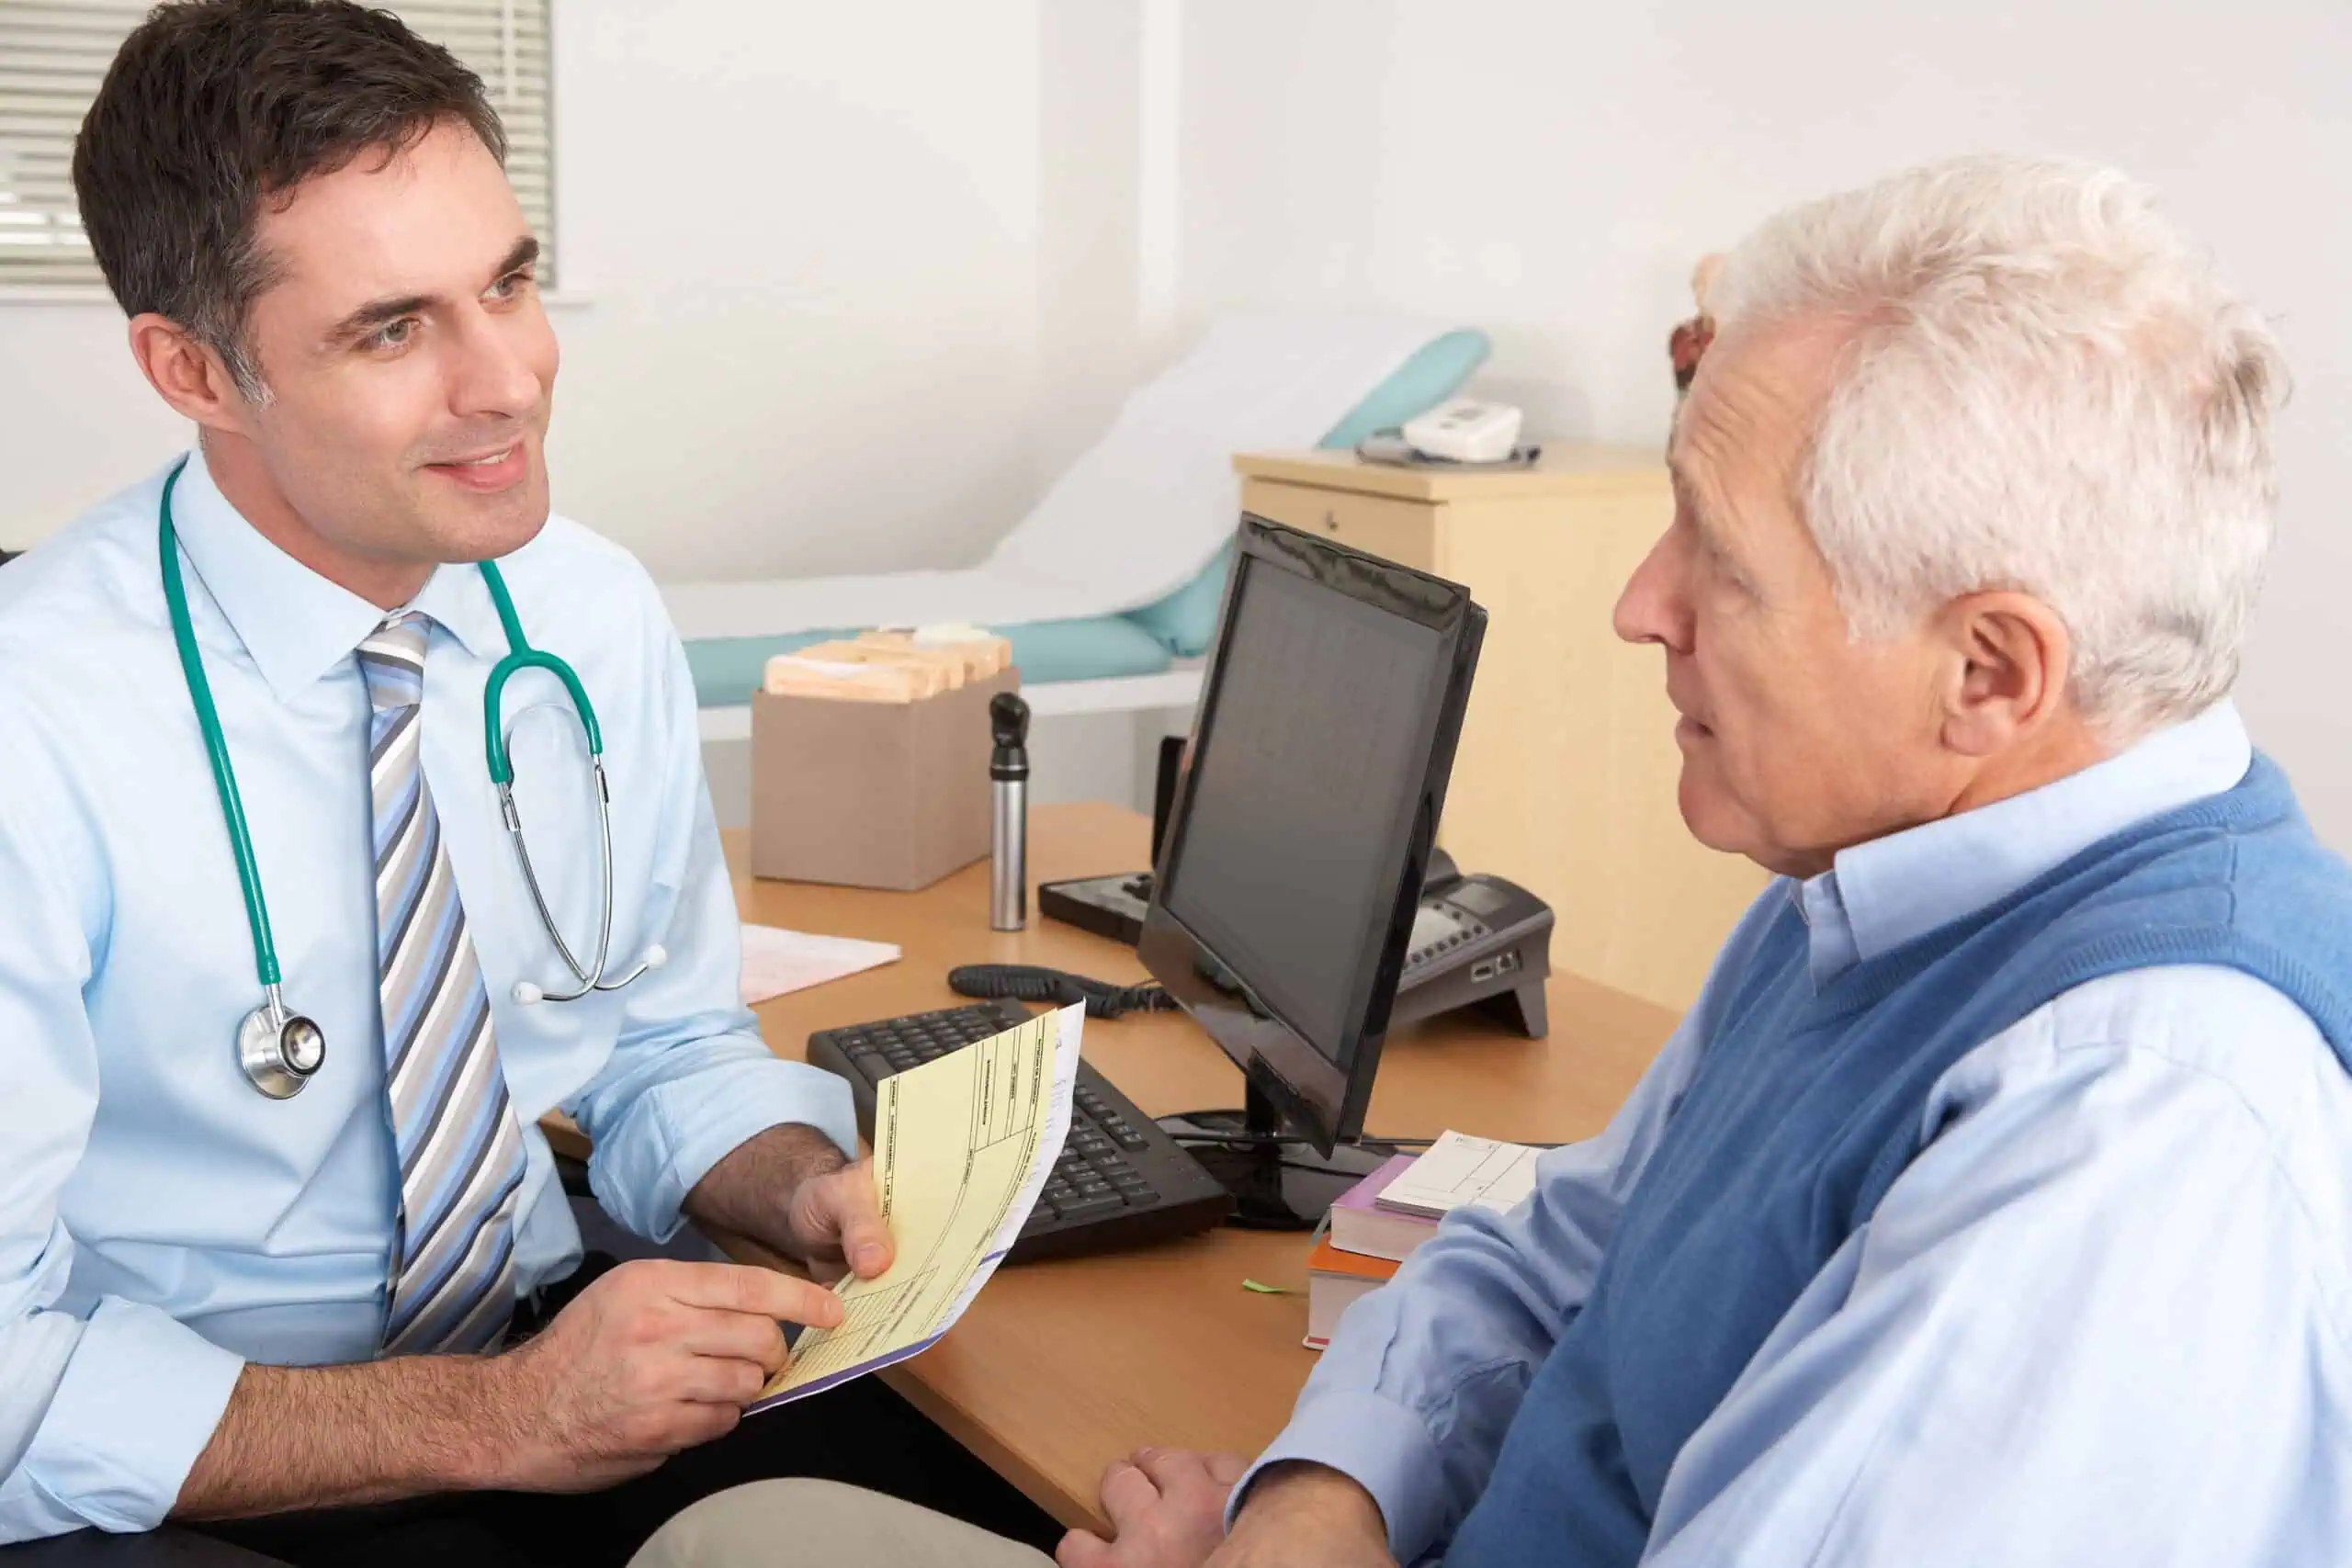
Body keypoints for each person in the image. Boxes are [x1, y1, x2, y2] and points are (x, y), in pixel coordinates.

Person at [650, 152, 2352, 1567]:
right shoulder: (1867, 890)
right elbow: (1552, 1256)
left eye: (1720, 560)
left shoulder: (2134, 1128)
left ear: (1988, 672)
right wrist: (1309, 1513)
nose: (1639, 606)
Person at [0, 4, 1054, 1564]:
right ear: (195, 372)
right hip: (193, 1462)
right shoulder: (37, 719)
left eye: (508, 281)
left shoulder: (579, 609)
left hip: (549, 1359)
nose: (511, 383)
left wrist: (792, 1174)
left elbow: (656, 1040)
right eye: (393, 327)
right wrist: (502, 1421)